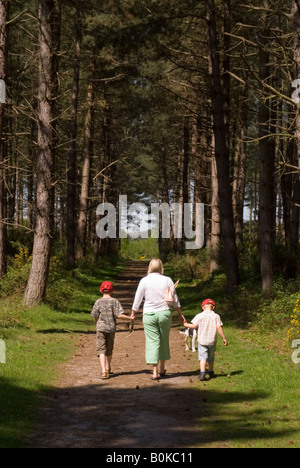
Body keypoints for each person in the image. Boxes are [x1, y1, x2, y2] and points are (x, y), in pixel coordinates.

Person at [131, 258, 185, 380]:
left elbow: (137, 298)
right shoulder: (167, 280)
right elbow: (175, 299)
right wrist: (180, 314)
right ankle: (162, 368)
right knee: (164, 340)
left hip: (149, 314)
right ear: (161, 267)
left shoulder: (144, 281)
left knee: (152, 341)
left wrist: (133, 313)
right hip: (164, 314)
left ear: (150, 267)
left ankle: (154, 371)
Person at [91, 281, 133, 380]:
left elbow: (95, 316)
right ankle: (108, 367)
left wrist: (97, 324)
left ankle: (103, 371)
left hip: (100, 328)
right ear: (112, 290)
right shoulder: (115, 301)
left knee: (101, 349)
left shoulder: (98, 301)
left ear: (101, 290)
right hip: (111, 328)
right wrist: (130, 318)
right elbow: (119, 315)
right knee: (109, 349)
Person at [183, 298, 228, 381]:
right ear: (213, 307)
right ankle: (211, 371)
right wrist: (224, 338)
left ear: (203, 307)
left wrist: (185, 324)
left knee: (202, 357)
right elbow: (219, 327)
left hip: (202, 341)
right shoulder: (216, 316)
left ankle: (202, 373)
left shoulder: (199, 316)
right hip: (212, 340)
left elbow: (194, 326)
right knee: (211, 356)